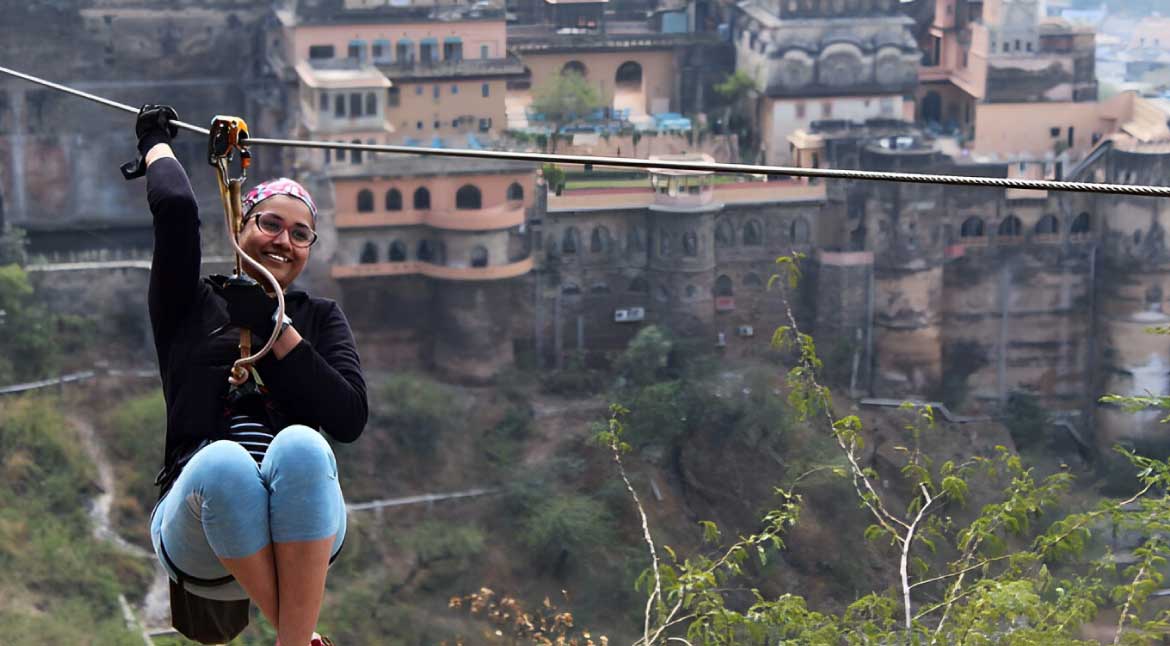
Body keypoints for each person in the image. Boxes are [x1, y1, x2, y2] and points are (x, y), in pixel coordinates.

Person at [135, 105, 367, 646]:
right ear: (241, 224)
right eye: (270, 223)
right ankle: (297, 633)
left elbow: (348, 417)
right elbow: (173, 209)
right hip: (200, 527)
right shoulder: (189, 305)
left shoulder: (319, 317)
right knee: (223, 461)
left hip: (301, 528)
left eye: (300, 233)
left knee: (304, 447)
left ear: (309, 250)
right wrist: (154, 142)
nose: (283, 240)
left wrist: (273, 325)